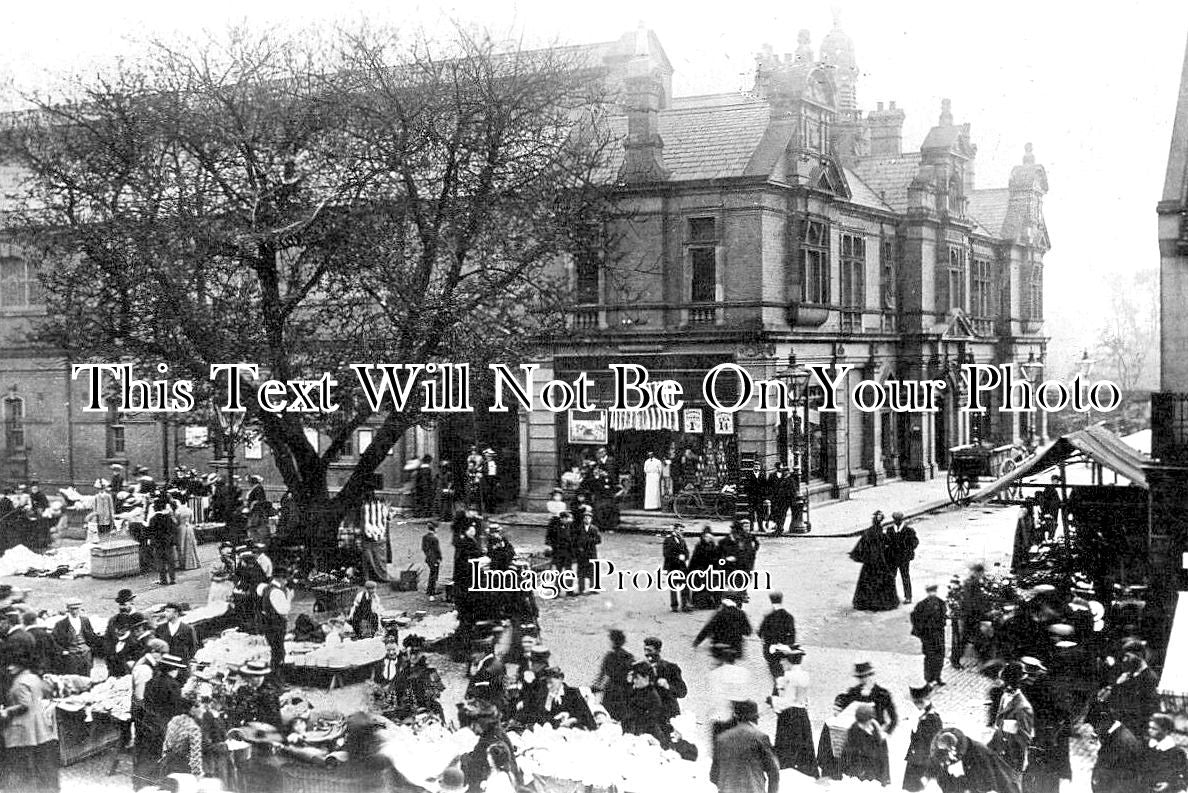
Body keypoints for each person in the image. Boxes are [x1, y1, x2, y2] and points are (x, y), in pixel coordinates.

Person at [1, 651, 60, 793]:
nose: (9, 668)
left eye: (13, 665)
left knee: (23, 762)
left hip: (23, 727)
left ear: (21, 665)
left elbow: (24, 704)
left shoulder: (20, 682)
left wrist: (6, 711)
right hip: (38, 726)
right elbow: (46, 691)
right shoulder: (33, 678)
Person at [711, 700, 780, 793]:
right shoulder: (760, 738)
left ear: (736, 716)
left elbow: (713, 776)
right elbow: (774, 772)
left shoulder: (721, 739)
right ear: (755, 718)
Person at [769, 644, 816, 777]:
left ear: (789, 659)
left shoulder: (788, 676)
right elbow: (803, 700)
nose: (782, 662)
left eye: (784, 659)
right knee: (803, 750)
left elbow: (788, 701)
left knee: (787, 752)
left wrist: (773, 700)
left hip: (789, 718)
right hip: (802, 716)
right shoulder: (804, 675)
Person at [930, 728, 1022, 793]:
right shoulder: (969, 747)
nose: (950, 757)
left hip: (1005, 786)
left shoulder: (977, 756)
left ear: (953, 749)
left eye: (949, 753)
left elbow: (983, 786)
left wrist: (952, 781)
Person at [987, 662, 1034, 786]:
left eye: (1007, 682)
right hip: (999, 751)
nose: (1005, 686)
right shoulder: (1004, 696)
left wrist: (1009, 729)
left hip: (1013, 758)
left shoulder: (1023, 708)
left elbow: (1025, 738)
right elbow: (998, 723)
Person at [1083, 702, 1144, 793]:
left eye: (1095, 726)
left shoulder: (1122, 741)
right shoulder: (1114, 735)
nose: (1094, 730)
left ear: (1104, 719)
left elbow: (1123, 779)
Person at [850, 512, 899, 611]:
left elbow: (863, 543)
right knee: (882, 579)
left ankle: (866, 602)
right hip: (878, 560)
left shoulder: (870, 531)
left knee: (868, 580)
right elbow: (884, 542)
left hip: (870, 561)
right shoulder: (877, 531)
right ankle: (879, 603)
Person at [834, 662, 898, 734]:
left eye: (866, 676)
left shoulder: (882, 694)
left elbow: (894, 718)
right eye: (860, 677)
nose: (863, 680)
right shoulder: (853, 692)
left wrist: (886, 733)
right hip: (855, 734)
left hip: (876, 734)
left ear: (871, 675)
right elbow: (842, 714)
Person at [707, 643, 751, 743]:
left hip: (721, 716)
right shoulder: (744, 673)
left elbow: (715, 697)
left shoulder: (714, 674)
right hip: (739, 717)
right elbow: (744, 695)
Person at [903, 684, 943, 792]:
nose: (917, 705)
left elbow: (934, 742)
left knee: (918, 789)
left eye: (919, 702)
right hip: (915, 759)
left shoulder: (933, 718)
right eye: (915, 702)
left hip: (923, 761)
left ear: (926, 699)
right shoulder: (920, 714)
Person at [840, 702, 891, 785]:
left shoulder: (878, 734)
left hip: (876, 777)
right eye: (861, 723)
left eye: (866, 721)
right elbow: (847, 759)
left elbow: (884, 759)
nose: (864, 725)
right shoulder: (852, 734)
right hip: (860, 778)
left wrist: (885, 780)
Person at [621, 661, 671, 745]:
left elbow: (650, 721)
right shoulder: (637, 691)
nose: (634, 681)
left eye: (636, 678)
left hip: (650, 736)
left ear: (646, 678)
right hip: (636, 732)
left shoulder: (652, 696)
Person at [910, 583, 948, 687]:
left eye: (934, 591)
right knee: (929, 657)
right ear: (927, 592)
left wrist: (942, 623)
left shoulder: (941, 603)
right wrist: (920, 631)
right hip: (928, 636)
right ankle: (928, 679)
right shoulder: (921, 605)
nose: (932, 594)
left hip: (939, 635)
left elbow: (944, 616)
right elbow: (914, 617)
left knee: (940, 656)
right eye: (930, 592)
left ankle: (937, 677)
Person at [51, 597, 101, 676]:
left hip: (85, 655)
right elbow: (53, 641)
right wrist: (63, 651)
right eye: (72, 609)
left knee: (86, 679)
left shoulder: (85, 621)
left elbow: (91, 637)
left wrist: (91, 648)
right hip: (71, 656)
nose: (74, 611)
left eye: (76, 609)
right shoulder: (61, 624)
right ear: (68, 609)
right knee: (72, 680)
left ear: (80, 608)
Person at [592, 629, 634, 722]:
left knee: (609, 713)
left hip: (611, 689)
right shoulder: (629, 656)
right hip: (625, 689)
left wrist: (595, 686)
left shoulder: (610, 656)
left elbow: (602, 674)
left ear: (613, 641)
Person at [257, 568, 293, 675]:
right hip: (275, 625)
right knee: (278, 652)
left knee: (275, 651)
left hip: (268, 624)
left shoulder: (266, 588)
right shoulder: (277, 592)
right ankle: (276, 679)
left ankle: (276, 677)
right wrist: (289, 597)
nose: (286, 582)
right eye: (285, 579)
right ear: (280, 579)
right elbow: (284, 610)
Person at [642, 637, 687, 721]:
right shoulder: (641, 668)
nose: (646, 653)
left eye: (649, 650)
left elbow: (682, 692)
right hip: (648, 714)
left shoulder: (671, 668)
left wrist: (667, 686)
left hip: (668, 714)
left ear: (658, 651)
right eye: (645, 650)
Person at [1143, 713, 1188, 793]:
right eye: (1150, 727)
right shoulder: (1148, 747)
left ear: (1166, 731)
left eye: (1154, 729)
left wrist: (1169, 784)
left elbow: (1183, 775)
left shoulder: (1176, 752)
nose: (1150, 730)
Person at [758, 591, 797, 683]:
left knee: (773, 665)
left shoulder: (768, 616)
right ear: (781, 600)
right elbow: (792, 634)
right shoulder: (789, 616)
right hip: (784, 649)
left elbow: (760, 633)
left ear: (771, 601)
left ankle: (777, 680)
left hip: (770, 649)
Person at [359, 485, 391, 582]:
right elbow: (389, 517)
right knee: (380, 559)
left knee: (367, 559)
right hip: (380, 536)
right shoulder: (382, 506)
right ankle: (382, 576)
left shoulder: (363, 507)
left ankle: (367, 578)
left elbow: (362, 522)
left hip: (367, 536)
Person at [887, 511, 918, 603]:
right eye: (895, 520)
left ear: (901, 520)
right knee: (892, 577)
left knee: (905, 577)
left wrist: (908, 550)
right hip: (893, 557)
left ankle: (908, 597)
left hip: (904, 558)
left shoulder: (908, 530)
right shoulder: (890, 530)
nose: (897, 522)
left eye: (898, 520)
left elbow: (915, 542)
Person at [689, 528, 723, 610]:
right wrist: (690, 569)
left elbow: (718, 558)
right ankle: (699, 604)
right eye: (707, 537)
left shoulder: (714, 546)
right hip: (701, 569)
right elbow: (694, 558)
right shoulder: (699, 546)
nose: (708, 538)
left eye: (710, 537)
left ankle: (712, 603)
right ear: (703, 537)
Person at [149, 496, 179, 585]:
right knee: (170, 561)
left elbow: (150, 532)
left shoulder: (152, 519)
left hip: (158, 543)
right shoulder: (168, 517)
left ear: (155, 508)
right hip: (168, 542)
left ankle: (163, 580)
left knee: (160, 562)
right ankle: (172, 579)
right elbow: (174, 529)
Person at [662, 523, 691, 612]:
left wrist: (685, 557)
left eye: (682, 531)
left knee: (684, 586)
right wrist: (678, 557)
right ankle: (674, 606)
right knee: (674, 587)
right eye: (679, 530)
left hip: (682, 567)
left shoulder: (682, 540)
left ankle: (684, 605)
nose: (681, 532)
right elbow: (666, 554)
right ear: (675, 530)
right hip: (672, 566)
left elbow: (687, 552)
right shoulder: (668, 540)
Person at [573, 510, 601, 595]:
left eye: (589, 518)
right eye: (585, 518)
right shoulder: (578, 529)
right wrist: (579, 547)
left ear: (591, 519)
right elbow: (575, 540)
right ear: (583, 519)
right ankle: (581, 589)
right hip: (582, 553)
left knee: (592, 571)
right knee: (581, 571)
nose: (587, 520)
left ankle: (593, 588)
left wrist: (589, 541)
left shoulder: (594, 529)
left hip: (591, 553)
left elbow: (599, 540)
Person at [173, 493, 200, 570]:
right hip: (189, 527)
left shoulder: (178, 511)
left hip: (181, 528)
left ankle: (183, 564)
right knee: (191, 545)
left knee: (182, 546)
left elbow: (176, 521)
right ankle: (193, 563)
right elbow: (192, 520)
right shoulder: (189, 510)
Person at [422, 522, 443, 599]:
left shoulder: (424, 537)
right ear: (435, 528)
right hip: (434, 559)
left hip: (428, 558)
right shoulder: (434, 538)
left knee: (432, 573)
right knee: (434, 575)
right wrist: (439, 558)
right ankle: (431, 591)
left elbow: (424, 548)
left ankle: (429, 590)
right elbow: (437, 550)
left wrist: (428, 555)